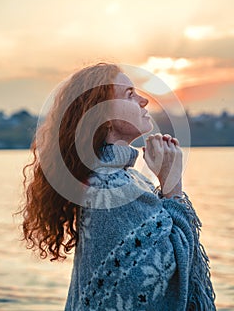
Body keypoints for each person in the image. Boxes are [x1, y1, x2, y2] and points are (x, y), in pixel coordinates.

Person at [18, 62, 216, 310]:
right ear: (105, 116)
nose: (144, 101)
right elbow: (172, 265)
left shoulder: (125, 179)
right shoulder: (109, 187)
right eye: (130, 95)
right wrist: (172, 182)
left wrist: (164, 180)